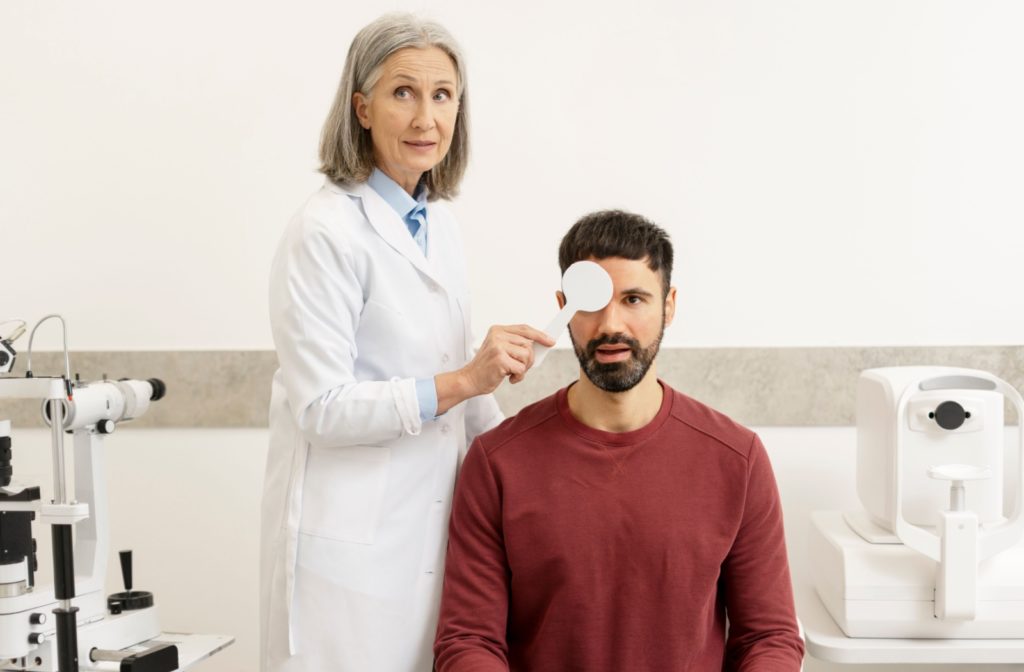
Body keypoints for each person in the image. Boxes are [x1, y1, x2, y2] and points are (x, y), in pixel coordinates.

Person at [261, 14, 553, 672]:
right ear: (362, 107)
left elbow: (461, 391)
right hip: (343, 564)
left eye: (443, 95)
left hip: (427, 545)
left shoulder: (438, 226)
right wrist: (463, 382)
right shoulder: (324, 233)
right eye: (403, 93)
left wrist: (544, 464)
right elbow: (322, 408)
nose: (427, 117)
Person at [434, 210, 805, 671]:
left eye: (633, 299)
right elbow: (468, 641)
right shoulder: (496, 462)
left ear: (668, 305)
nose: (611, 324)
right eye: (592, 302)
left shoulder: (738, 459)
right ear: (563, 304)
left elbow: (768, 638)